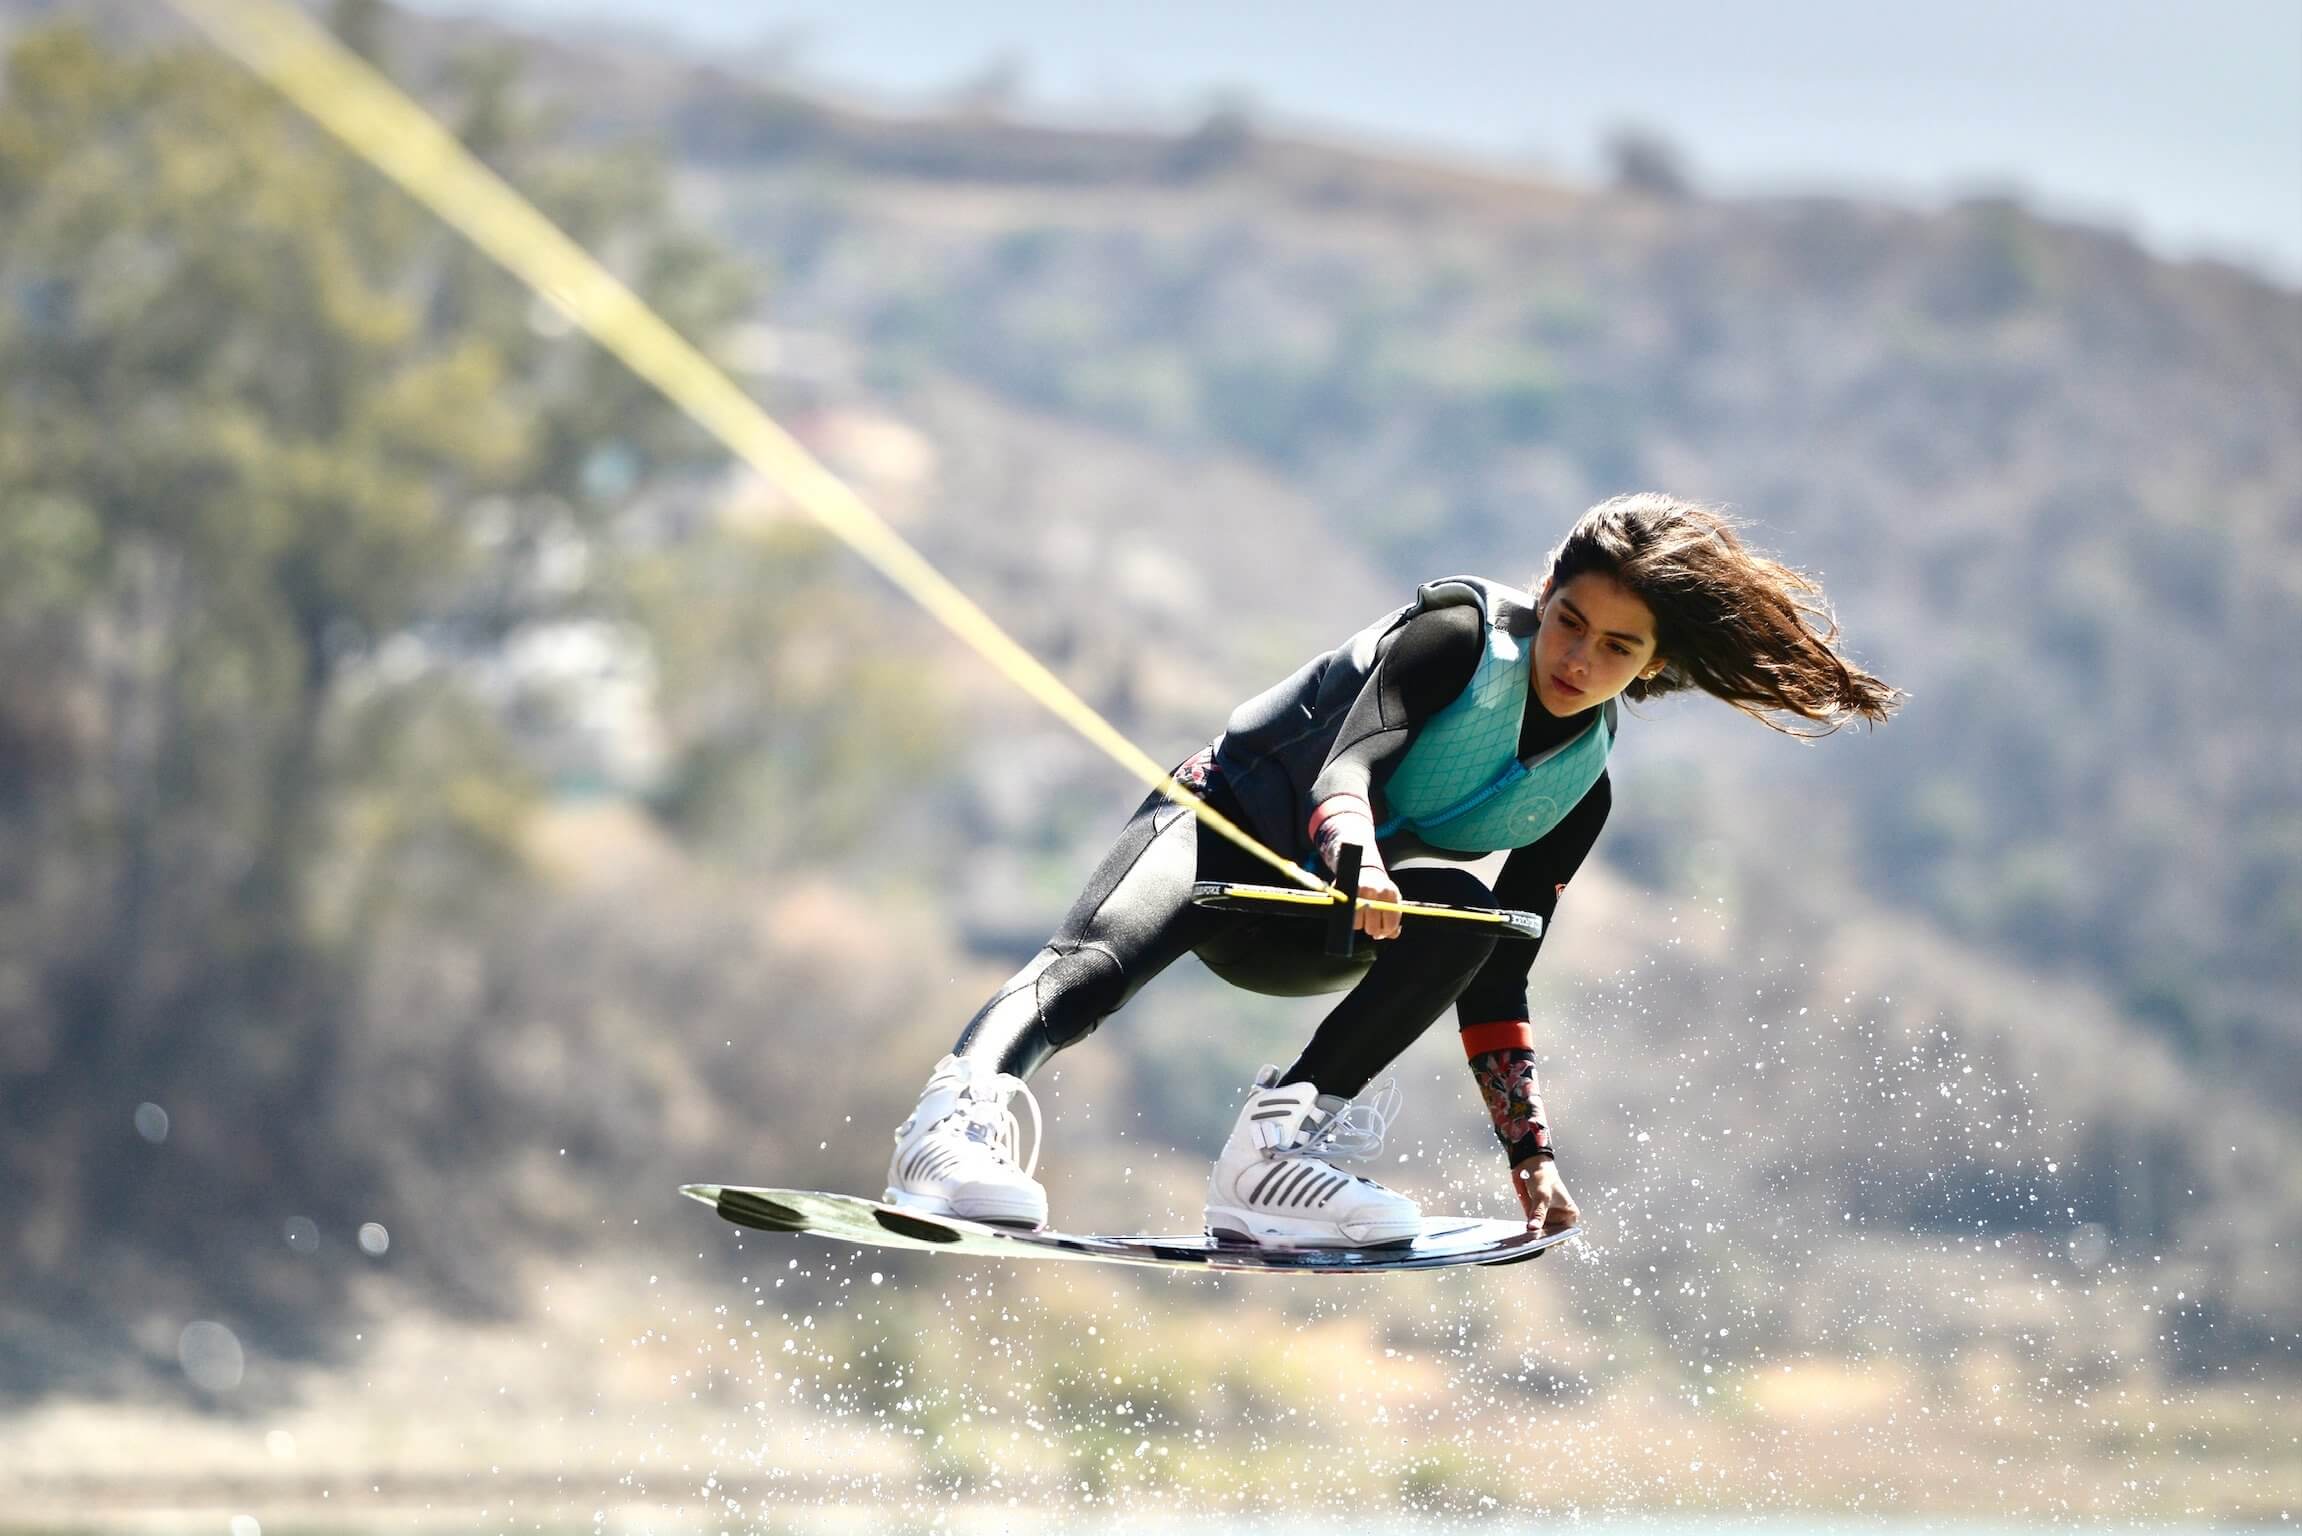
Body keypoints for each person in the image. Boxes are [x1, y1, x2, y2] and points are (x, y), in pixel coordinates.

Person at [885, 494, 1900, 1248]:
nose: (1579, 657)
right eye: (1569, 623)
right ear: (1543, 597)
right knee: (1093, 963)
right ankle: (948, 1133)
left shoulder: (1579, 793)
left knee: (1479, 922)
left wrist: (1529, 1157)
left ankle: (1269, 1159)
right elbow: (1352, 762)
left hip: (1315, 931)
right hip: (1221, 829)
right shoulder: (1455, 638)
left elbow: (1498, 980)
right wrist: (1360, 851)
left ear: (1653, 668)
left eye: (1617, 648)